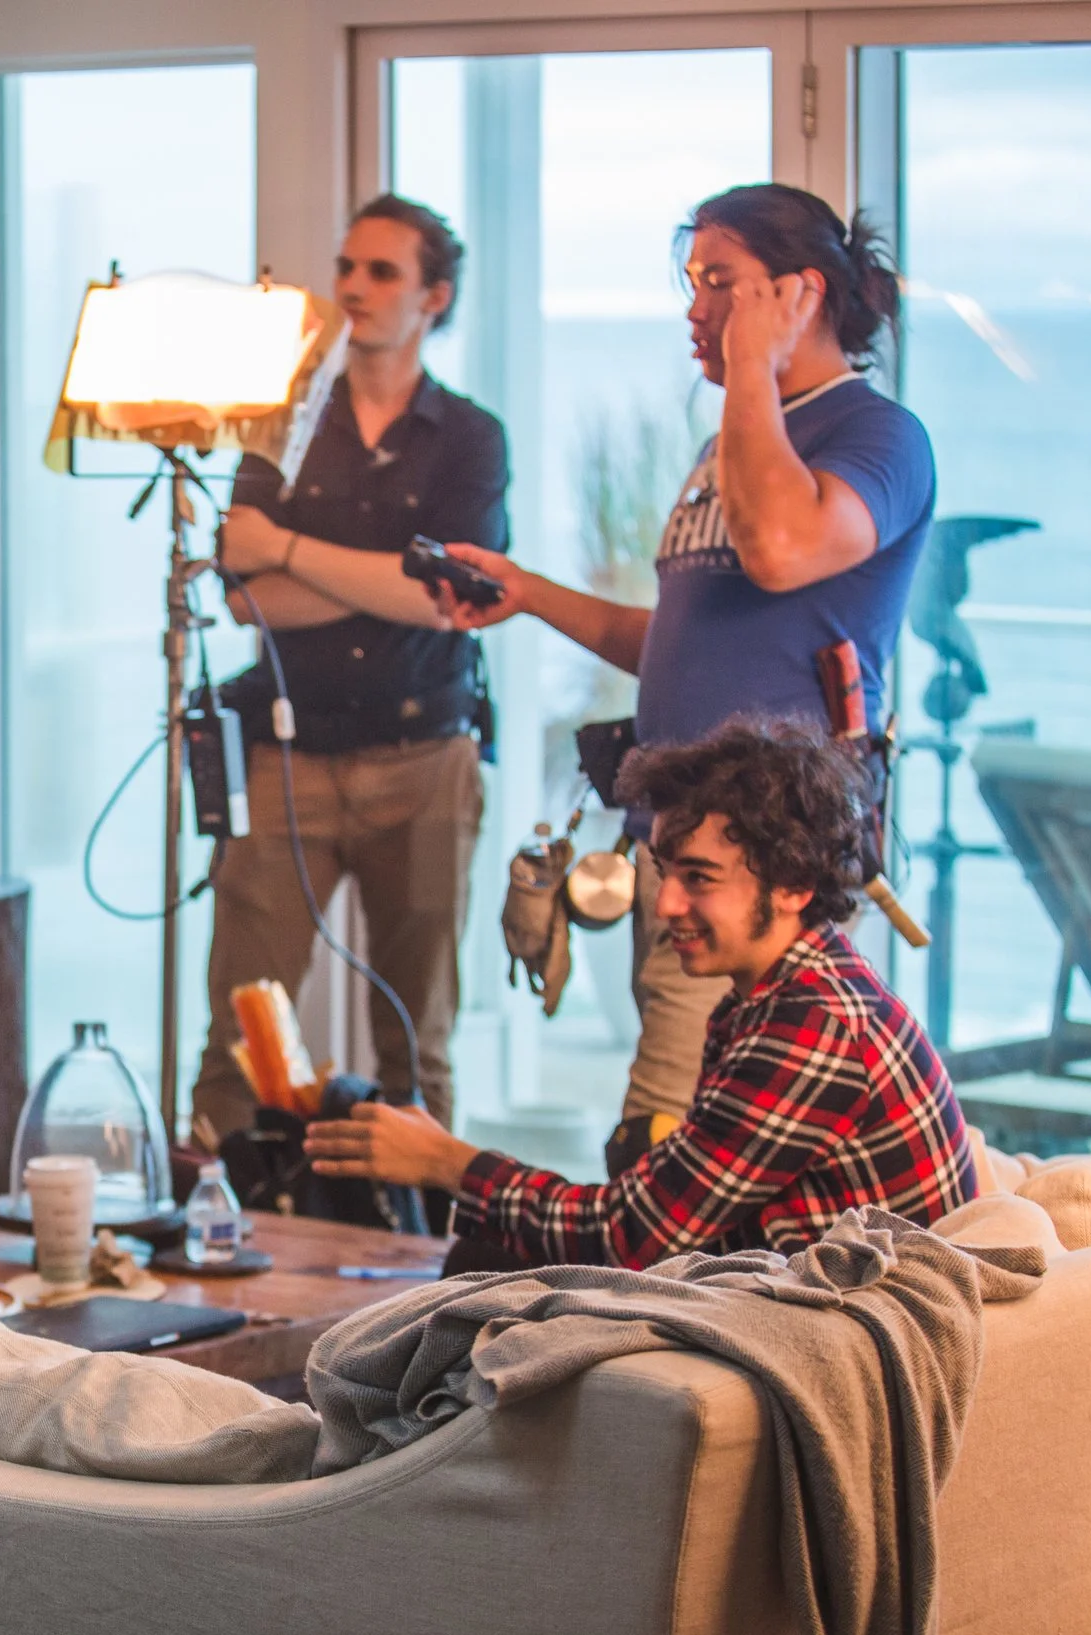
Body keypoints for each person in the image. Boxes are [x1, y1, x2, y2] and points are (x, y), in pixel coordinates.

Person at [433, 183, 933, 1167]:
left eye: (720, 284)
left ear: (802, 292)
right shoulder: (728, 447)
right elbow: (682, 635)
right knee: (694, 1131)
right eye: (689, 283)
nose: (694, 310)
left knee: (662, 1137)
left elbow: (782, 550)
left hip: (758, 863)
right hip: (675, 842)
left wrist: (753, 369)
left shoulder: (877, 438)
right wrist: (529, 592)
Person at [306, 717, 977, 1271]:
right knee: (486, 1260)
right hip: (784, 1299)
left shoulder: (813, 1024)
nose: (667, 903)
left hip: (831, 1346)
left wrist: (447, 1162)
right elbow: (662, 1216)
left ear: (795, 884)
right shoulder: (776, 996)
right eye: (664, 871)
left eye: (700, 877)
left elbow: (632, 1237)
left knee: (483, 1270)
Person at [196, 194, 506, 1187]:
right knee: (243, 1027)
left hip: (425, 754)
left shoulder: (468, 437)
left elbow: (444, 600)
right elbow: (244, 598)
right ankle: (227, 1232)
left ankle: (426, 1266)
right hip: (290, 755)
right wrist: (377, 575)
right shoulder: (280, 421)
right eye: (346, 267)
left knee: (418, 1035)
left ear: (433, 297)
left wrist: (290, 550)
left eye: (381, 273)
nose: (354, 289)